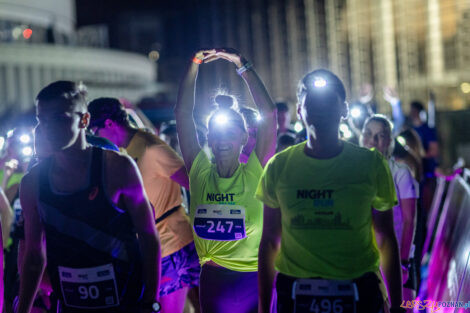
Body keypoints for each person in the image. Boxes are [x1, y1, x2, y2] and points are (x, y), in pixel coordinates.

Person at [256, 69, 404, 313]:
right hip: (294, 294)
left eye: (327, 100)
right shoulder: (278, 166)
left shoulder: (371, 164)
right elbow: (270, 241)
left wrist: (398, 305)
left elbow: (386, 238)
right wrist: (263, 308)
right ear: (300, 111)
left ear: (344, 110)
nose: (319, 107)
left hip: (359, 292)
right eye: (311, 101)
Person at [17, 81, 161, 313]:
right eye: (42, 120)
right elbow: (34, 255)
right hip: (71, 305)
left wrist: (151, 300)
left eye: (59, 118)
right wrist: (22, 308)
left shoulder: (118, 167)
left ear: (84, 120)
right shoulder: (32, 183)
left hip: (126, 302)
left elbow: (148, 236)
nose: (48, 128)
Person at [175, 48, 276, 313]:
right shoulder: (199, 173)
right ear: (208, 138)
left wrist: (243, 65)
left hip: (254, 281)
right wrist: (194, 63)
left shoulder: (255, 171)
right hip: (213, 282)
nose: (222, 141)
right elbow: (183, 113)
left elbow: (269, 113)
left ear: (244, 138)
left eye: (230, 133)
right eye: (216, 134)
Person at [88, 97, 199, 313]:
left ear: (109, 124)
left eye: (95, 129)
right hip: (152, 246)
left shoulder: (150, 148)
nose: (95, 136)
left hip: (172, 243)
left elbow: (192, 182)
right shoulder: (121, 150)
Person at [361, 114, 419, 310]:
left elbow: (410, 220)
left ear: (389, 140)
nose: (374, 140)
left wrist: (402, 261)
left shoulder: (400, 172)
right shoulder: (353, 172)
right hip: (366, 262)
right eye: (369, 134)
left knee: (402, 308)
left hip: (396, 260)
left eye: (381, 135)